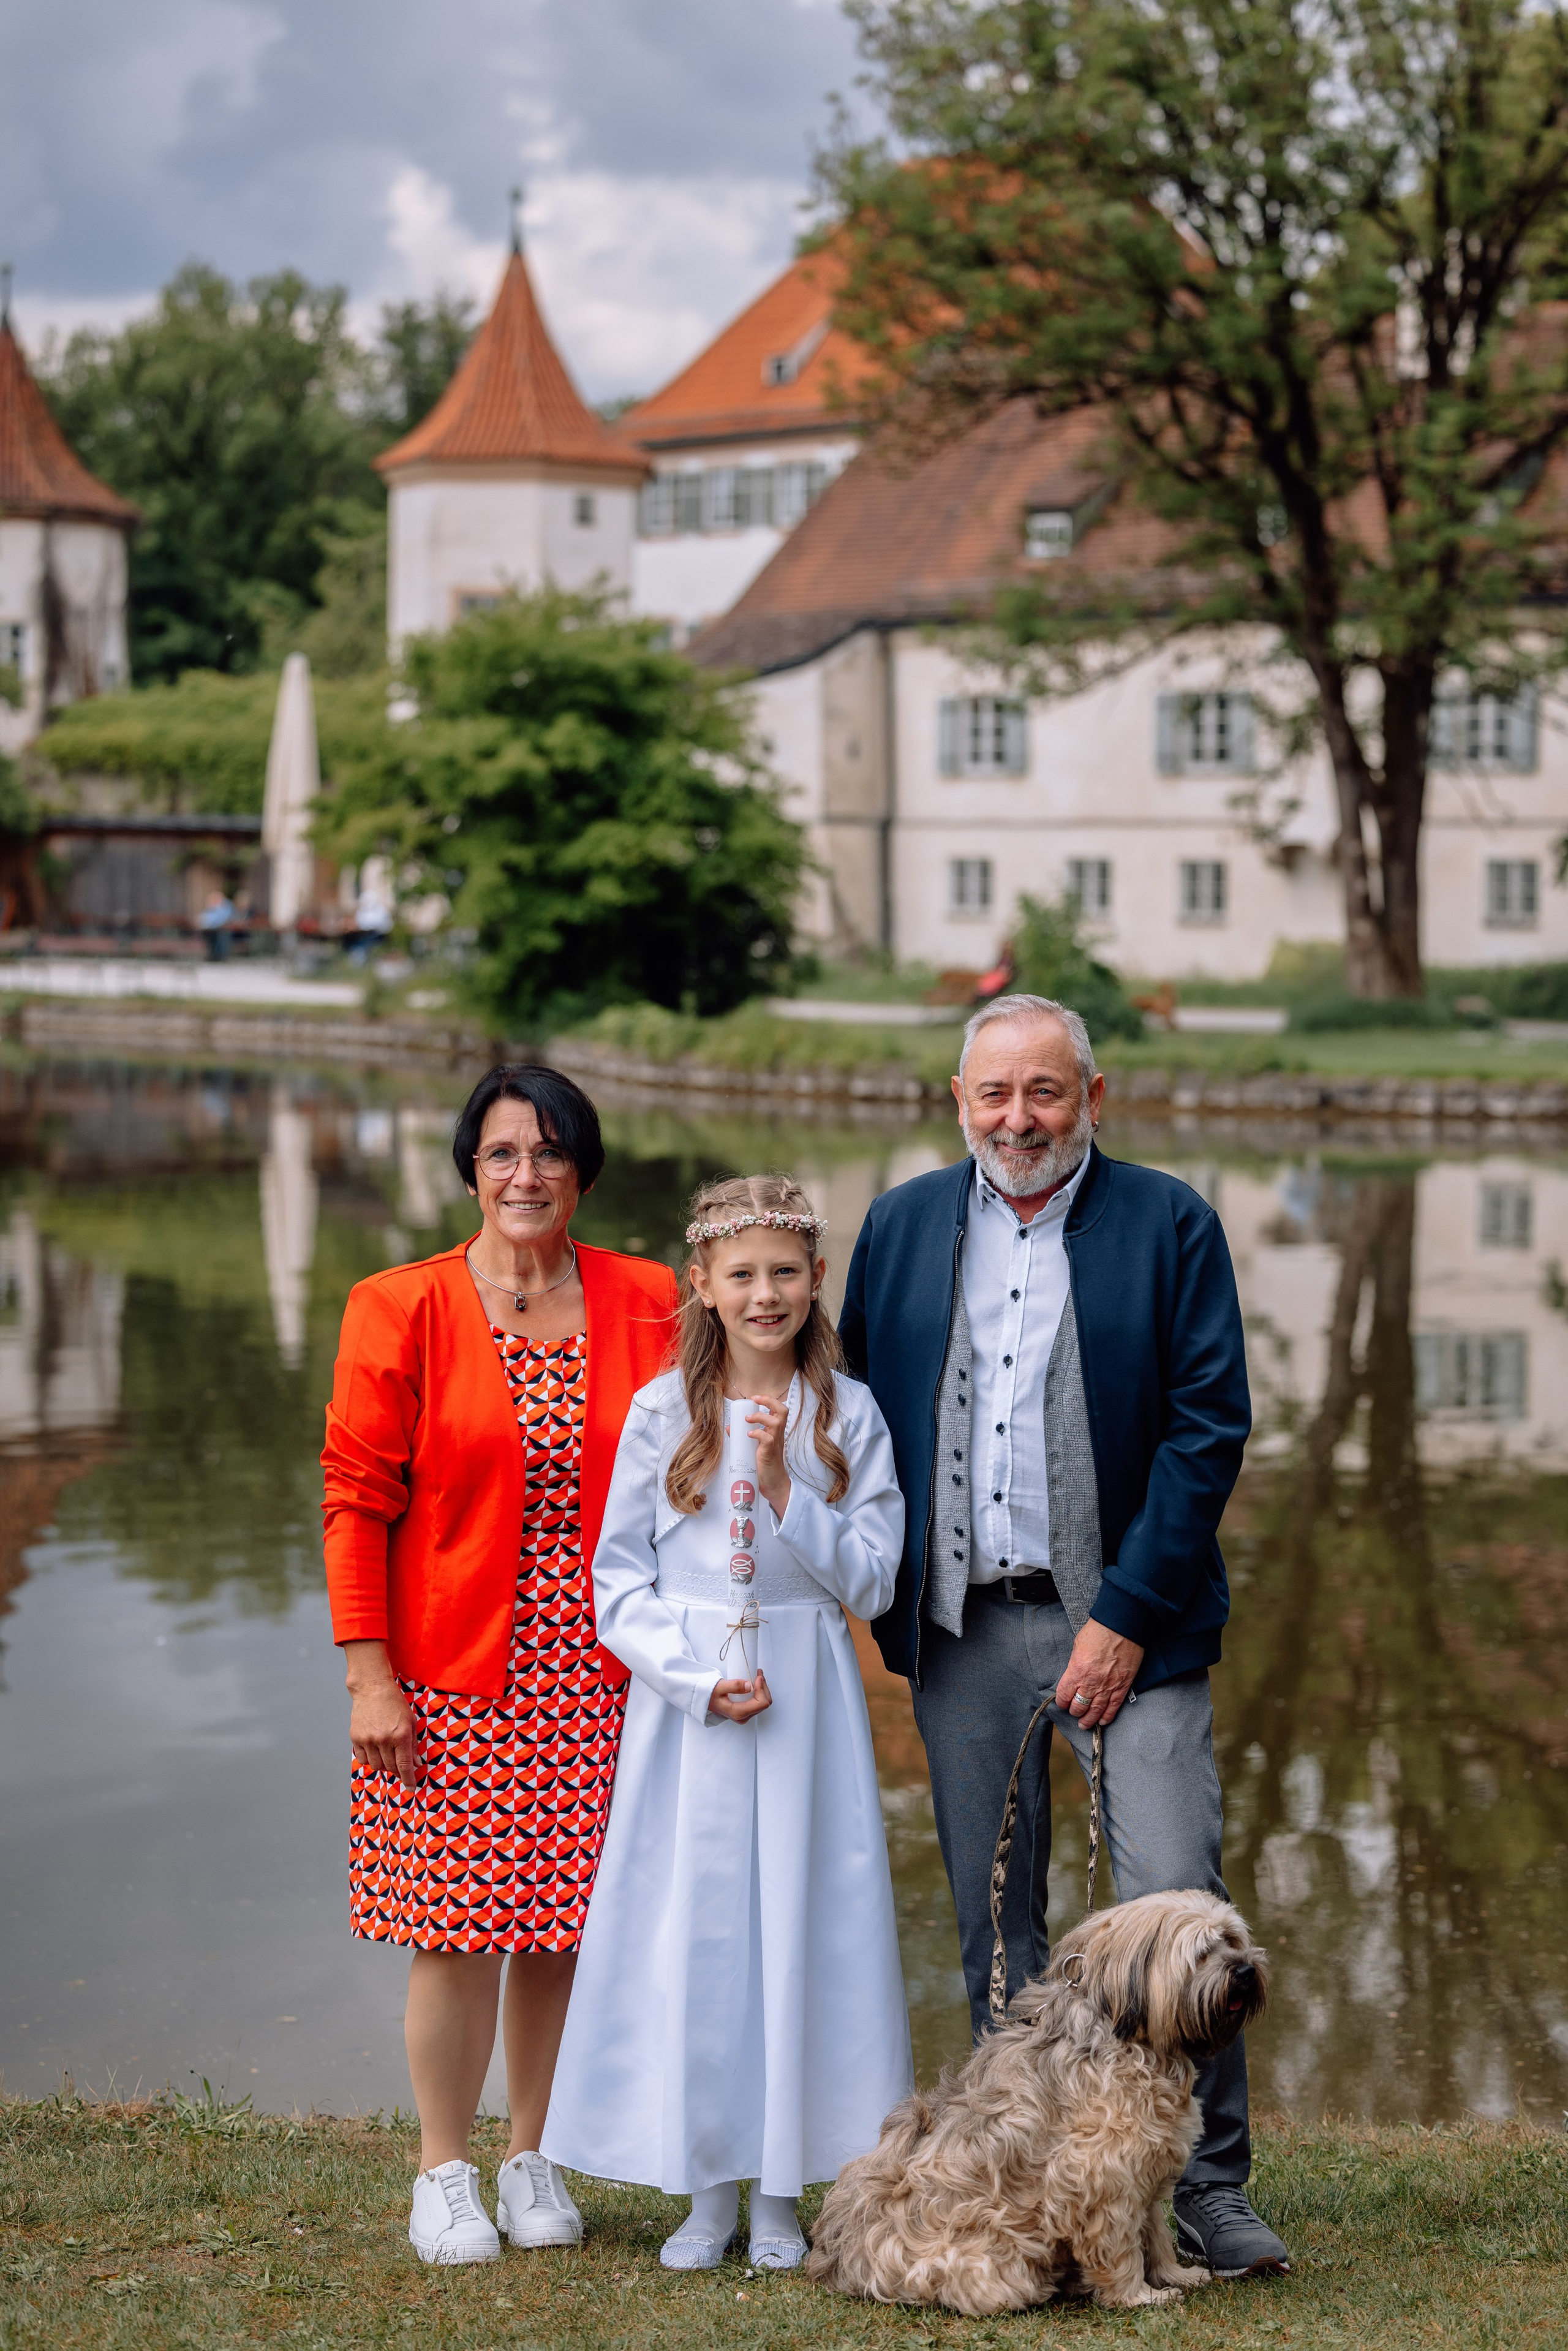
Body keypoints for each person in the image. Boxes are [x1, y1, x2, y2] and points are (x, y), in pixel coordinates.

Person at [839, 992, 1292, 2282]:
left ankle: (1204, 2187)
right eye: (993, 1093)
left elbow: (1208, 1428)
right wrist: (880, 1592)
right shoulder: (904, 1223)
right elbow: (862, 1413)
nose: (1017, 1117)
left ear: (1087, 1095)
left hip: (1133, 1625)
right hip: (963, 1624)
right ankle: (1023, 2193)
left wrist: (1122, 1619)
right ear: (957, 1099)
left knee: (1179, 1905)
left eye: (1043, 1090)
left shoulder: (1168, 1222)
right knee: (1001, 1932)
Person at [320, 1064, 679, 2267]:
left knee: (568, 1925)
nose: (526, 1174)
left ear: (583, 1166)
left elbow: (703, 1470)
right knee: (455, 1925)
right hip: (449, 1671)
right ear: (470, 1169)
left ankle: (533, 2151)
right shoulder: (398, 1302)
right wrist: (369, 1670)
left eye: (550, 1151)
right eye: (502, 1153)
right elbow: (354, 1499)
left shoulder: (649, 1298)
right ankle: (441, 2167)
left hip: (603, 1672)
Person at [543, 1174, 912, 2273]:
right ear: (700, 1284)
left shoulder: (851, 1414)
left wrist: (788, 1487)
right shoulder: (663, 1413)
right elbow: (617, 1584)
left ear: (816, 1280)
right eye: (742, 1274)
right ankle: (705, 2186)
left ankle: (786, 2190)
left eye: (785, 1273)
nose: (766, 1295)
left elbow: (880, 1582)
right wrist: (696, 1678)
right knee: (700, 1933)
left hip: (810, 1704)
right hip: (694, 1712)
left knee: (806, 1927)